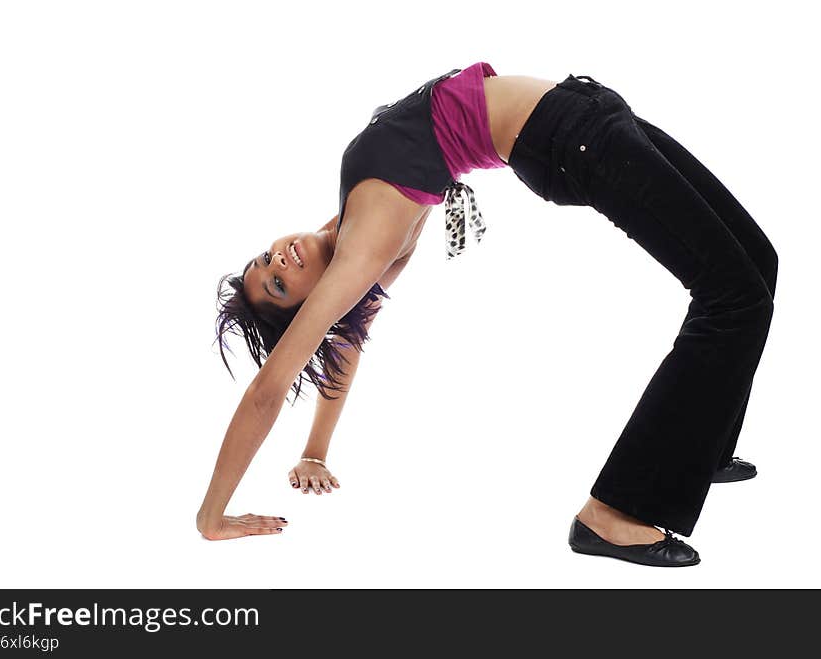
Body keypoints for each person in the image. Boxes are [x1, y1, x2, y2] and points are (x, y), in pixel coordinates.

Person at [195, 62, 777, 568]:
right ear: (306, 306)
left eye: (261, 259)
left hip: (587, 110)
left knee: (757, 262)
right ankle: (615, 511)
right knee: (732, 297)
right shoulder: (364, 245)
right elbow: (270, 390)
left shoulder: (355, 221)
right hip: (572, 141)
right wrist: (212, 518)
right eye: (278, 285)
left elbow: (348, 343)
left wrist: (315, 452)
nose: (278, 261)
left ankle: (699, 449)